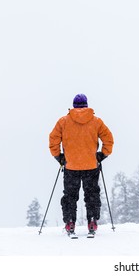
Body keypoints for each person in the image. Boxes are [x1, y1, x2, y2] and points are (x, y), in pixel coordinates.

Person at [49, 94, 114, 235]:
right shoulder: (96, 121)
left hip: (71, 166)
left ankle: (70, 222)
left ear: (73, 106)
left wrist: (58, 157)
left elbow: (53, 140)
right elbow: (109, 139)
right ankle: (92, 221)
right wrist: (101, 155)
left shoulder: (63, 121)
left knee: (70, 196)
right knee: (91, 194)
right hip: (91, 166)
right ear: (86, 105)